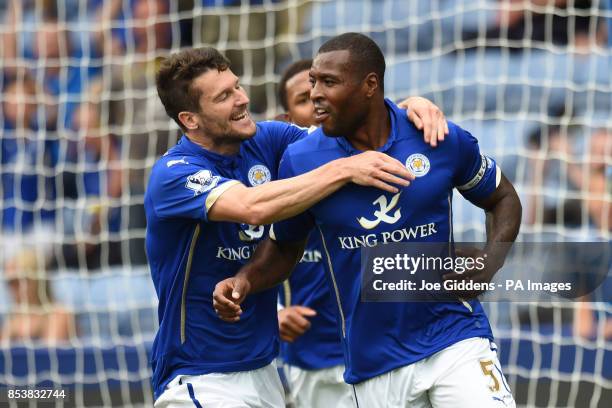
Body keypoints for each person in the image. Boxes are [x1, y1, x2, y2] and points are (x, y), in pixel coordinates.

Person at [214, 33, 522, 408]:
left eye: (329, 82)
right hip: (373, 360)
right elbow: (284, 245)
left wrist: (491, 261)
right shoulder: (301, 160)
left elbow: (502, 196)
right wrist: (245, 279)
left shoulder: (435, 136)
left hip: (455, 336)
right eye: (312, 82)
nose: (315, 94)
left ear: (369, 86)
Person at [147, 46, 446, 407]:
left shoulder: (268, 140)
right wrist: (343, 170)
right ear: (190, 119)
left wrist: (403, 109)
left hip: (263, 371)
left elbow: (350, 141)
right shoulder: (173, 174)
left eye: (237, 86)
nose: (242, 99)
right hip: (199, 376)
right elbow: (250, 207)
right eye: (224, 96)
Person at [275, 58, 449, 408]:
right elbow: (245, 254)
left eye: (329, 88)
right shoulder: (287, 174)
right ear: (287, 121)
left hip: (389, 349)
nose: (319, 101)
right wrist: (270, 312)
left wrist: (412, 104)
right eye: (305, 98)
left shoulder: (376, 162)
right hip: (317, 359)